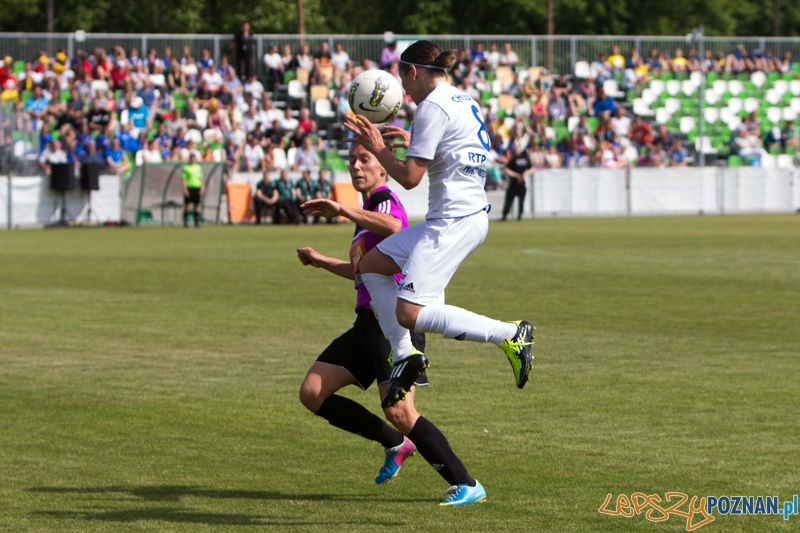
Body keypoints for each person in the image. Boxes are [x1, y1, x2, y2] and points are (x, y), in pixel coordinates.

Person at [343, 40, 535, 506]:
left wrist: (375, 146)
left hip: (453, 222)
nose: (401, 89)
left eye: (401, 78)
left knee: (409, 309)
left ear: (412, 72)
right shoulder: (461, 99)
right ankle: (406, 356)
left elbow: (408, 178)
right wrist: (400, 143)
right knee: (372, 266)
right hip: (455, 217)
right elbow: (441, 153)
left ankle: (510, 333)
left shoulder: (430, 107)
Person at [297, 143, 479, 502]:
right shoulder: (367, 212)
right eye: (352, 160)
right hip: (366, 323)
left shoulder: (383, 200)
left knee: (400, 409)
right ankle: (395, 443)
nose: (356, 166)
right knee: (313, 393)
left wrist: (341, 210)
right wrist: (322, 262)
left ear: (383, 168)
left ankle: (466, 484)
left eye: (364, 159)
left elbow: (396, 224)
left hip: (392, 324)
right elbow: (360, 270)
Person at [501, 144, 531, 221]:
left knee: (510, 201)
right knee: (518, 201)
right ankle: (518, 216)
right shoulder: (524, 159)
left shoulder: (514, 159)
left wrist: (520, 174)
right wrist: (521, 174)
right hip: (518, 183)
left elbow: (506, 169)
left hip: (515, 184)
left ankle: (507, 216)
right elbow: (532, 169)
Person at [181, 152, 204, 228]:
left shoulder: (198, 167)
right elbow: (184, 179)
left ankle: (196, 221)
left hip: (196, 187)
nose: (193, 160)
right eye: (191, 158)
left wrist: (201, 188)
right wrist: (185, 189)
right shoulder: (186, 167)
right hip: (189, 187)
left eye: (194, 158)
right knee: (187, 204)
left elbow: (201, 178)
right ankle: (185, 221)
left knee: (196, 205)